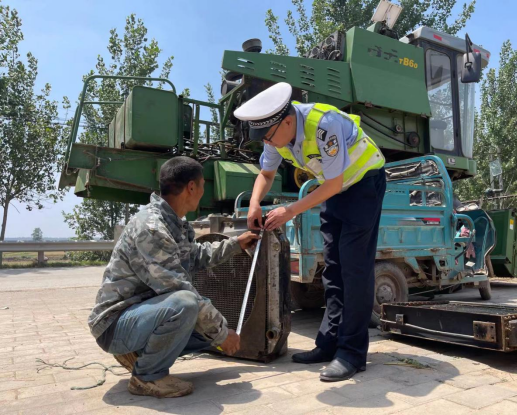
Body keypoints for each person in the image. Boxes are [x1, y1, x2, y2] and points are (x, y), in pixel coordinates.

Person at [234, 82, 386, 382]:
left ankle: (353, 354)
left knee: (354, 270)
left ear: (287, 121)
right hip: (336, 189)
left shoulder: (324, 126)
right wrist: (253, 204)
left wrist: (290, 211)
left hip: (364, 183)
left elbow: (332, 183)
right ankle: (329, 345)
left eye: (269, 137)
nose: (269, 144)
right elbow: (266, 173)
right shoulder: (275, 131)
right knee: (333, 268)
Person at [88, 156, 259, 398]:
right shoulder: (152, 228)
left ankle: (139, 355)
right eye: (202, 185)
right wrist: (222, 333)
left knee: (203, 328)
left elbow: (196, 256)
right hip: (115, 325)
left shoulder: (175, 224)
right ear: (191, 187)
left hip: (139, 315)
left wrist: (235, 244)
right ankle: (146, 377)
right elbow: (177, 286)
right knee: (187, 304)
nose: (203, 191)